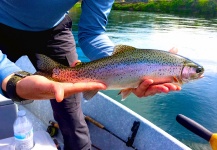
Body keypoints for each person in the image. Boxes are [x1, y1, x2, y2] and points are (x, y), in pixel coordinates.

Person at [0, 1, 181, 150]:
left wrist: (129, 68)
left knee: (71, 116)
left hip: (54, 31)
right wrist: (9, 78)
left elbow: (92, 33)